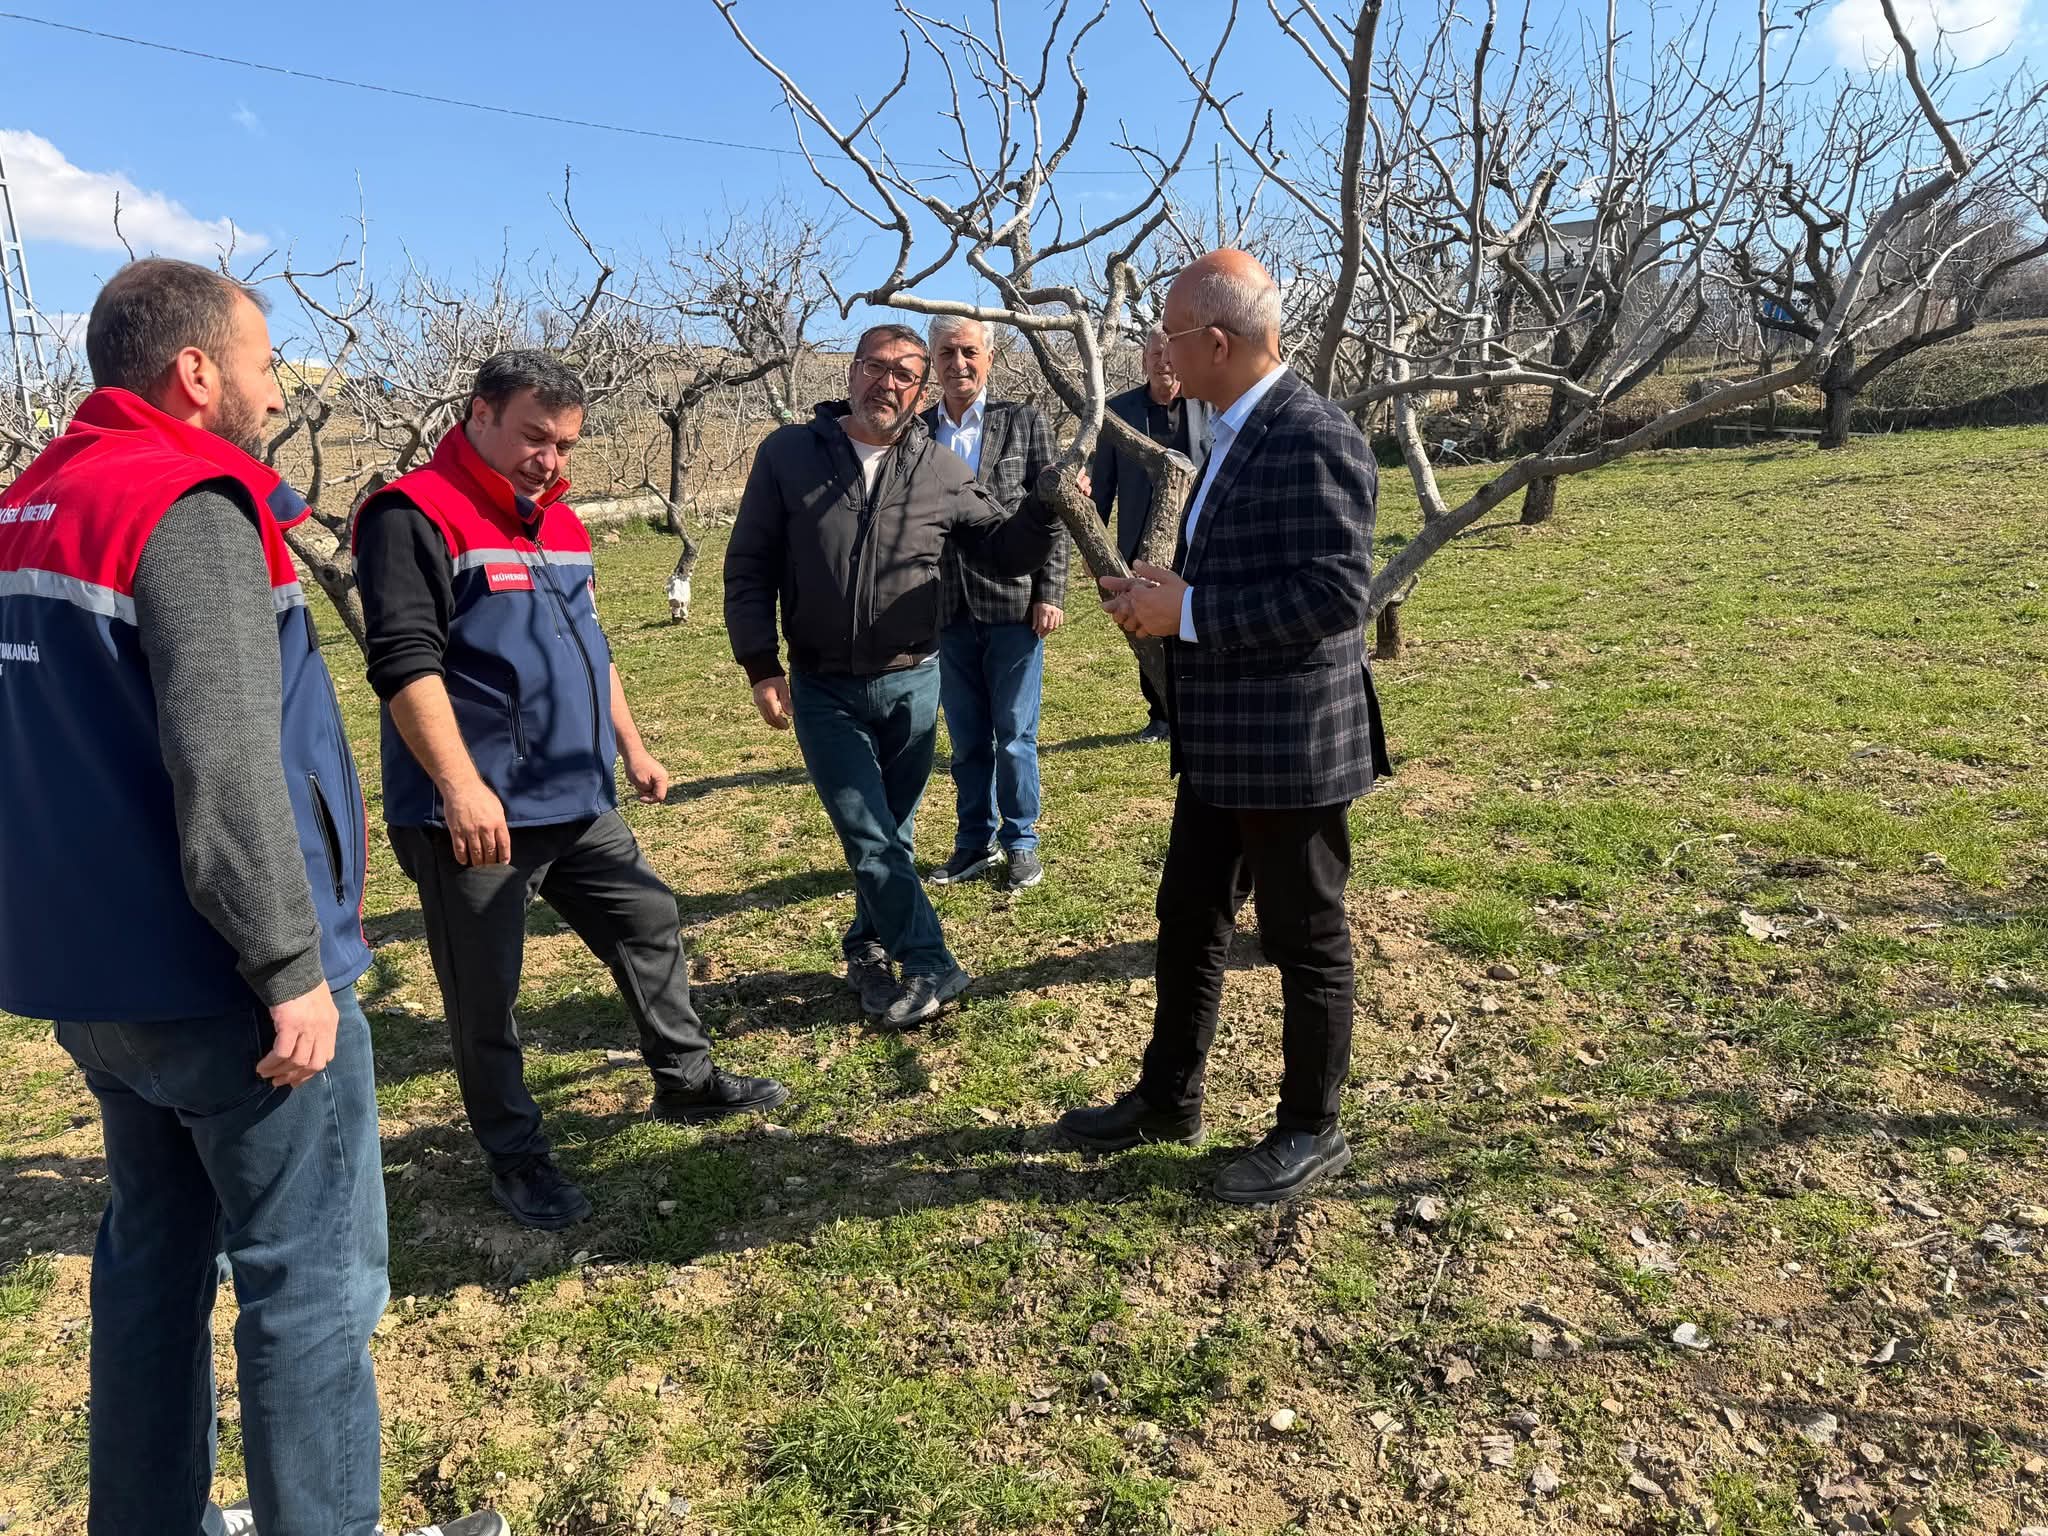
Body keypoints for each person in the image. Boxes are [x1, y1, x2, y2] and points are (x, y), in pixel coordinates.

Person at [0, 259, 503, 1535]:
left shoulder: (30, 503)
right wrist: (290, 966)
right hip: (230, 982)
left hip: (93, 979)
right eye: (267, 366)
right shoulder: (186, 503)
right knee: (312, 1286)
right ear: (195, 373)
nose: (279, 393)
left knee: (152, 1262)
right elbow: (226, 762)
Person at [352, 350, 787, 1233]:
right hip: (474, 816)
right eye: (534, 438)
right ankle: (515, 1157)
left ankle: (685, 1079)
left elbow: (593, 646)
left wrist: (633, 747)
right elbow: (402, 664)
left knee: (648, 920)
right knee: (488, 998)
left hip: (578, 797)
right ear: (479, 415)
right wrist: (461, 786)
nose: (549, 460)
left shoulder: (561, 524)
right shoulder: (412, 515)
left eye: (565, 444)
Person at [1057, 250, 1392, 1206]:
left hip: (1287, 743)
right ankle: (1170, 1098)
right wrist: (1158, 595)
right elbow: (1238, 566)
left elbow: (1337, 595)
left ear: (1215, 342)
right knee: (1190, 919)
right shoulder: (1231, 428)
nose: (1155, 347)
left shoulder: (1312, 434)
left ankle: (1310, 1129)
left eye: (1166, 331)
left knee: (1306, 937)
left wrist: (1190, 614)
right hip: (1220, 738)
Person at [724, 322, 1064, 1028]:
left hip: (914, 678)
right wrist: (761, 663)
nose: (888, 383)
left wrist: (1042, 508)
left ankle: (867, 947)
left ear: (922, 389)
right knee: (868, 830)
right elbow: (749, 565)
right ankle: (933, 961)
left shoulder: (941, 469)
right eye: (875, 367)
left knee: (891, 832)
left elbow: (1003, 553)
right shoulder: (789, 455)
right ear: (850, 373)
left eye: (906, 373)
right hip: (823, 685)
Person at [918, 315, 1066, 891]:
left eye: (969, 352)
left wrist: (1049, 592)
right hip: (944, 608)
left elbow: (1052, 513)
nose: (958, 363)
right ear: (933, 362)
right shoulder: (916, 431)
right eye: (947, 353)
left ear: (989, 357)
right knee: (966, 735)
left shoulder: (1023, 423)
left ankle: (1021, 841)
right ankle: (972, 842)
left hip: (1013, 604)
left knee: (1015, 731)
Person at [1090, 327, 1210, 742]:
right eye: (1154, 353)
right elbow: (1101, 486)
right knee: (1147, 626)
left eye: (1169, 352)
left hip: (1198, 543)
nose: (1163, 361)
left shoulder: (1207, 408)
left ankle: (1194, 708)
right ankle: (1160, 714)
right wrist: (1096, 548)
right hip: (1141, 544)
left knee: (1192, 625)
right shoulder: (1118, 412)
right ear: (1143, 361)